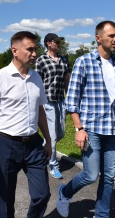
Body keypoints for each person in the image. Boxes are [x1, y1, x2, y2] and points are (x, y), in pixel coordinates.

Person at [56, 21, 115, 218]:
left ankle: (101, 215)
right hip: (90, 129)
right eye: (111, 36)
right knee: (91, 175)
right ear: (98, 38)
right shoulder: (84, 62)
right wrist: (78, 128)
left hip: (112, 130)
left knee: (108, 178)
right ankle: (65, 192)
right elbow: (71, 100)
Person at [0, 31, 53, 218]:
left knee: (42, 195)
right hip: (6, 144)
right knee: (6, 199)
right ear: (15, 50)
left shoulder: (36, 77)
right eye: (30, 49)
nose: (35, 53)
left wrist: (49, 141)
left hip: (33, 144)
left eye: (36, 49)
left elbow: (40, 111)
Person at [35, 33, 70, 179]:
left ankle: (42, 149)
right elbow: (37, 82)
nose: (59, 44)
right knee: (53, 136)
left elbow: (67, 79)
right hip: (47, 102)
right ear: (49, 43)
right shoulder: (41, 60)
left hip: (60, 101)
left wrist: (69, 98)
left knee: (60, 133)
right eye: (57, 42)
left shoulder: (63, 59)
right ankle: (53, 165)